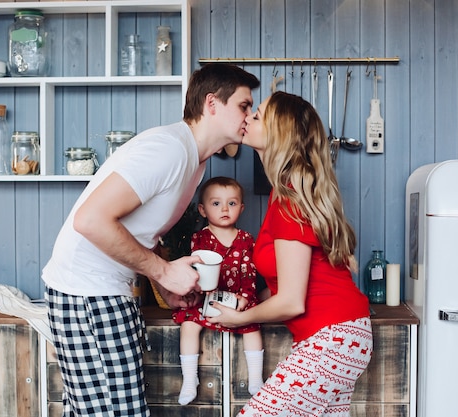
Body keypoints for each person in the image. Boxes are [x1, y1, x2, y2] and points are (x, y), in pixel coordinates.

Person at [41, 64, 260, 417]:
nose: (250, 115)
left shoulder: (195, 160)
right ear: (212, 104)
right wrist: (163, 270)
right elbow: (90, 220)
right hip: (85, 295)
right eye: (244, 105)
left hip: (106, 292)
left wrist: (162, 278)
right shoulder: (169, 149)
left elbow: (139, 229)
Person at [208, 91, 372, 417]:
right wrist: (251, 300)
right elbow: (289, 285)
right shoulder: (285, 196)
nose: (247, 118)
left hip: (331, 337)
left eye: (257, 116)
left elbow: (292, 302)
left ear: (278, 133)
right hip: (341, 335)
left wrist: (240, 318)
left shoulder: (288, 202)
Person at [172, 176, 264, 405]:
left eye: (231, 204)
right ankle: (189, 379)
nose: (224, 209)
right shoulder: (198, 239)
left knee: (252, 327)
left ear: (241, 208)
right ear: (202, 210)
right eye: (216, 204)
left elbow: (248, 271)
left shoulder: (245, 240)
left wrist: (245, 297)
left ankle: (255, 378)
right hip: (205, 299)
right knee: (189, 325)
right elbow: (193, 270)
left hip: (236, 297)